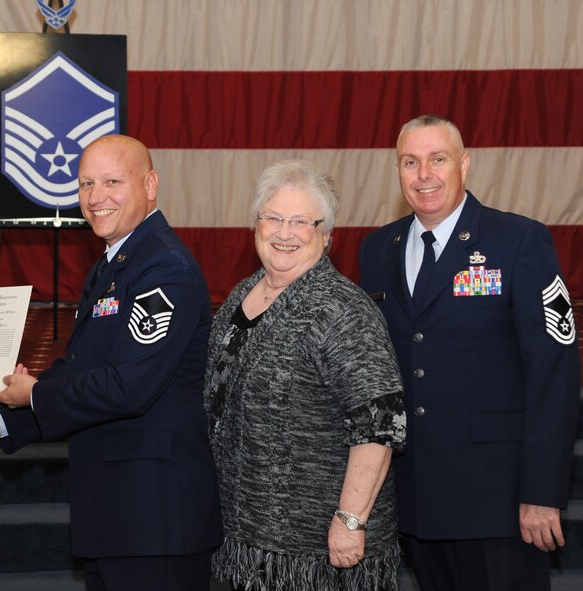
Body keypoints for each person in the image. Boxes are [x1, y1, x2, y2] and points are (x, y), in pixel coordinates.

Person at [0, 134, 223, 591]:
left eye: (112, 181)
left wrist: (35, 393)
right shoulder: (114, 264)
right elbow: (80, 372)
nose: (96, 198)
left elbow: (127, 387)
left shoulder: (164, 268)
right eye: (85, 184)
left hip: (154, 518)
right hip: (118, 514)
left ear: (151, 184)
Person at [359, 114, 580, 591]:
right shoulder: (377, 250)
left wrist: (542, 492)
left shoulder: (519, 241)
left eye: (438, 159)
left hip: (499, 500)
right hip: (416, 495)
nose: (425, 175)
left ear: (465, 164)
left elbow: (553, 374)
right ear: (397, 170)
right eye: (410, 162)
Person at [205, 159, 406, 590]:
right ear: (255, 225)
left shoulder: (343, 310)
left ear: (326, 234)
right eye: (273, 218)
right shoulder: (241, 295)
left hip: (320, 551)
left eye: (301, 221)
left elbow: (380, 426)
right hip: (247, 538)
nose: (284, 232)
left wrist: (350, 521)